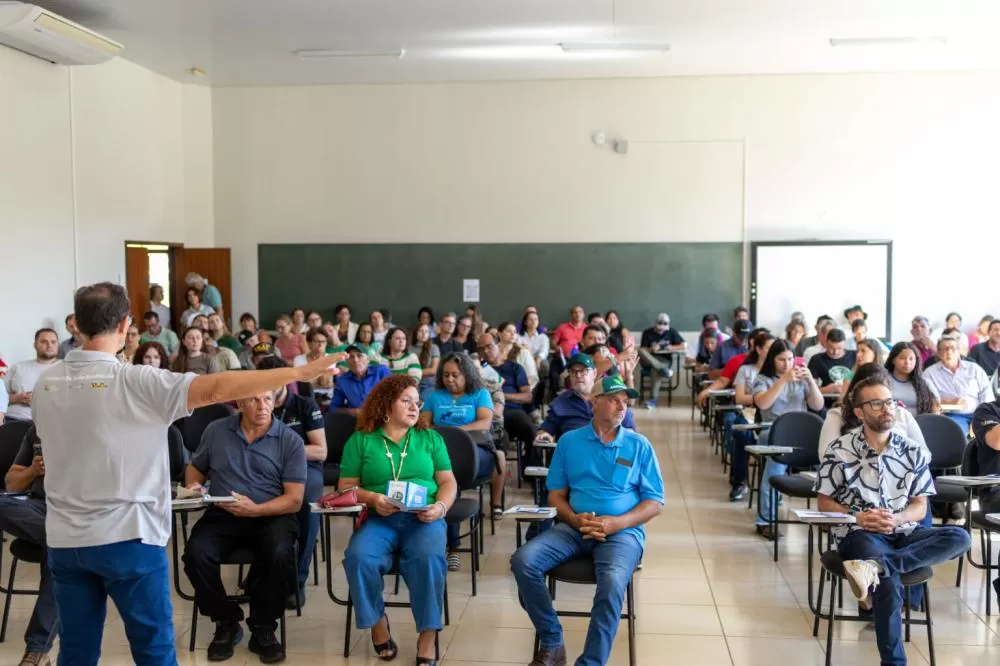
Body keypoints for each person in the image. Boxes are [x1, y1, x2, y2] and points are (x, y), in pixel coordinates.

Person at [29, 282, 342, 665]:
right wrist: (303, 371)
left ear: (75, 324)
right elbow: (219, 387)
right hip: (129, 536)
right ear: (128, 325)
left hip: (65, 540)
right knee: (154, 652)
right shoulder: (137, 381)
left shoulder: (45, 383)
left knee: (76, 652)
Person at [814, 375, 971, 666]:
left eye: (889, 402)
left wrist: (897, 518)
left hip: (904, 531)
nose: (886, 409)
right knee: (888, 581)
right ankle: (894, 662)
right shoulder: (839, 450)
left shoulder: (911, 451)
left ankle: (876, 567)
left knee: (960, 537)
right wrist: (857, 516)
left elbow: (920, 507)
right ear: (859, 411)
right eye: (876, 403)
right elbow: (823, 501)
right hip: (861, 532)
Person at [511, 374, 664, 666]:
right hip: (573, 528)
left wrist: (616, 523)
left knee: (612, 582)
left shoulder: (638, 445)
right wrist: (574, 519)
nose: (622, 407)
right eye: (614, 400)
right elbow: (555, 496)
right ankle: (553, 641)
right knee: (523, 561)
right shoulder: (570, 442)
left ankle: (591, 662)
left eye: (625, 402)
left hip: (622, 533)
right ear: (595, 403)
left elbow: (655, 502)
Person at [182, 390, 305, 663]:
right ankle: (226, 621)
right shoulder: (216, 431)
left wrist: (256, 510)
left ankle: (263, 626)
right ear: (239, 403)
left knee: (279, 551)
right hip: (224, 512)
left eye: (268, 400)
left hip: (272, 513)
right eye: (254, 399)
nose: (263, 406)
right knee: (195, 554)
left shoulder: (290, 440)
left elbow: (294, 500)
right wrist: (193, 485)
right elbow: (196, 467)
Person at [340, 374, 456, 665]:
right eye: (406, 400)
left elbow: (448, 482)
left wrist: (440, 508)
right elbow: (345, 487)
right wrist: (373, 499)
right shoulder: (361, 440)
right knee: (358, 557)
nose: (415, 407)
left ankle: (428, 637)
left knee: (429, 559)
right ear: (385, 405)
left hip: (423, 518)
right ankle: (378, 627)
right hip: (380, 517)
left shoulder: (430, 438)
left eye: (417, 402)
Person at [420, 352, 505, 570]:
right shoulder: (434, 396)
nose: (449, 380)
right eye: (446, 375)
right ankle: (437, 542)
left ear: (466, 374)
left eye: (455, 375)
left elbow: (484, 423)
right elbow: (424, 425)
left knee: (450, 474)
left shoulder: (480, 394)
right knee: (444, 476)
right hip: (442, 453)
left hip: (477, 453)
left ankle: (453, 547)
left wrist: (453, 432)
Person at [255, 356, 327, 609]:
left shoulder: (305, 405)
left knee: (306, 502)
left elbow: (320, 451)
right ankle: (261, 570)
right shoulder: (257, 405)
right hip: (267, 470)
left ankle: (297, 580)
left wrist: (285, 449)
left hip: (306, 468)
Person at [751, 339, 824, 539]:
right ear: (772, 360)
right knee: (774, 470)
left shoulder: (801, 378)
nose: (787, 364)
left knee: (827, 464)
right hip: (773, 430)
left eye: (790, 359)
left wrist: (810, 381)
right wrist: (782, 380)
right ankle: (765, 520)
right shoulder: (763, 379)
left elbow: (817, 406)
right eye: (781, 360)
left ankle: (828, 515)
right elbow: (763, 404)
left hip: (801, 432)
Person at [0, 425, 57, 666]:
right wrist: (34, 470)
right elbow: (12, 483)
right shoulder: (40, 427)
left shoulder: (94, 423)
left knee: (61, 545)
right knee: (61, 539)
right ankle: (62, 536)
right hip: (37, 508)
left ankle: (37, 650)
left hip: (77, 511)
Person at [478, 332, 537, 451]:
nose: (485, 351)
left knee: (529, 428)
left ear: (498, 345)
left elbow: (527, 396)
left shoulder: (514, 368)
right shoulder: (477, 370)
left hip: (512, 411)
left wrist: (502, 396)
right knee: (500, 438)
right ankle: (500, 467)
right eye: (481, 349)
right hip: (488, 413)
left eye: (489, 346)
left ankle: (531, 463)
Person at [924, 337, 992, 432]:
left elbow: (986, 394)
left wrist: (981, 417)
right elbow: (928, 400)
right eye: (945, 348)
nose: (949, 352)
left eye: (953, 348)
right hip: (952, 416)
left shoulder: (974, 369)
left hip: (980, 414)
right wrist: (948, 402)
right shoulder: (930, 373)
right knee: (958, 434)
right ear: (938, 353)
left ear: (959, 351)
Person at [4, 329, 61, 422]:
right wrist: (15, 398)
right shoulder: (18, 367)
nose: (49, 345)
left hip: (50, 423)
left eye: (53, 342)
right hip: (13, 419)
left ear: (58, 345)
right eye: (44, 341)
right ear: (35, 345)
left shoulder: (68, 369)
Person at [637, 313, 687, 409]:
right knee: (640, 350)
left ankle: (653, 400)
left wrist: (672, 347)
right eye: (659, 329)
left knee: (656, 371)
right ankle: (663, 369)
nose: (661, 331)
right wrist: (651, 349)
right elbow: (643, 349)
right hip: (648, 360)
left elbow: (684, 345)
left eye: (663, 329)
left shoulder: (672, 332)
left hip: (664, 360)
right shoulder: (647, 332)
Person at [331, 344, 392, 413]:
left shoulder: (381, 371)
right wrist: (354, 412)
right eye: (351, 357)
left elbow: (394, 396)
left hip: (384, 416)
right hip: (358, 420)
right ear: (347, 361)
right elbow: (333, 408)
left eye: (359, 355)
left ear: (368, 359)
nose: (355, 360)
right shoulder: (342, 381)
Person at [884, 342, 940, 416]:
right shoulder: (883, 380)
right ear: (893, 360)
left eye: (911, 359)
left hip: (920, 425)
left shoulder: (925, 383)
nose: (907, 362)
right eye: (902, 358)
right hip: (890, 424)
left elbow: (936, 409)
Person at [808, 328, 857, 394]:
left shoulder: (855, 356)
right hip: (827, 399)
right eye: (831, 348)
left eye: (839, 348)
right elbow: (809, 389)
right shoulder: (817, 359)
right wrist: (827, 390)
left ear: (844, 344)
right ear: (826, 343)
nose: (835, 352)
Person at [292, 328, 335, 401]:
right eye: (317, 341)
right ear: (309, 343)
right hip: (306, 399)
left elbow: (328, 384)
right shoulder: (298, 360)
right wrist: (319, 385)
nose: (321, 344)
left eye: (323, 341)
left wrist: (311, 383)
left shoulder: (331, 358)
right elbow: (299, 385)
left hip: (328, 399)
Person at [497, 322, 539, 387]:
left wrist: (522, 390)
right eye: (509, 331)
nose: (513, 334)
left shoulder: (523, 352)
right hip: (495, 388)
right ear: (499, 334)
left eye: (514, 331)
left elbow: (532, 377)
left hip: (517, 390)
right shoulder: (492, 351)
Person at [410, 324, 441, 398]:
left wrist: (414, 373)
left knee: (424, 400)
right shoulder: (409, 348)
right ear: (415, 332)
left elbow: (433, 370)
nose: (424, 334)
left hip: (428, 384)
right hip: (411, 382)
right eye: (421, 331)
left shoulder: (434, 348)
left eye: (426, 332)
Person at [520, 310, 551, 380]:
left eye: (536, 319)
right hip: (523, 359)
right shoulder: (518, 337)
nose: (533, 321)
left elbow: (544, 351)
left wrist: (538, 359)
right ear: (525, 322)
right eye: (530, 319)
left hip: (537, 359)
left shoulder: (543, 337)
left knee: (544, 364)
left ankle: (541, 387)